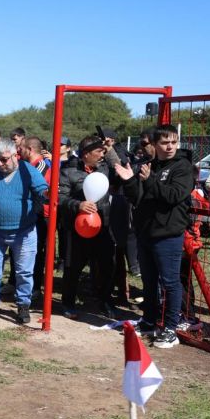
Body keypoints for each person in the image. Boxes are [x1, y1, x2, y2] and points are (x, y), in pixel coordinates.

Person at [115, 125, 194, 349]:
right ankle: (149, 321)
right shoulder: (148, 166)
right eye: (165, 142)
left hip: (168, 233)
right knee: (149, 282)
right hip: (146, 232)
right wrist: (130, 181)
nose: (170, 147)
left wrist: (151, 181)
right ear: (155, 144)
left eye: (174, 142)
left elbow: (174, 196)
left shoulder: (183, 167)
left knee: (170, 282)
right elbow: (137, 199)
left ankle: (170, 327)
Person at [0, 138, 48, 324]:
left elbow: (42, 190)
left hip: (24, 232)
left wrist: (47, 194)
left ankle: (23, 305)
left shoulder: (27, 170)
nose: (0, 164)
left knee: (24, 272)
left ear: (15, 155)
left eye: (4, 159)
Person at [58, 135, 117, 319]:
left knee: (107, 266)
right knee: (73, 267)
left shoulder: (105, 169)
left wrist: (111, 150)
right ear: (86, 154)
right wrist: (78, 205)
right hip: (77, 229)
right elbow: (60, 199)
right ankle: (68, 303)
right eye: (99, 151)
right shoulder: (68, 171)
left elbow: (123, 169)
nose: (102, 155)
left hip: (103, 227)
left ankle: (105, 301)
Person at [19, 137, 51, 301]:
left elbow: (42, 194)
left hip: (39, 217)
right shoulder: (27, 166)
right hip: (28, 214)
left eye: (22, 148)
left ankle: (35, 287)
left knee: (36, 252)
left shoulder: (41, 168)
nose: (19, 151)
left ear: (30, 149)